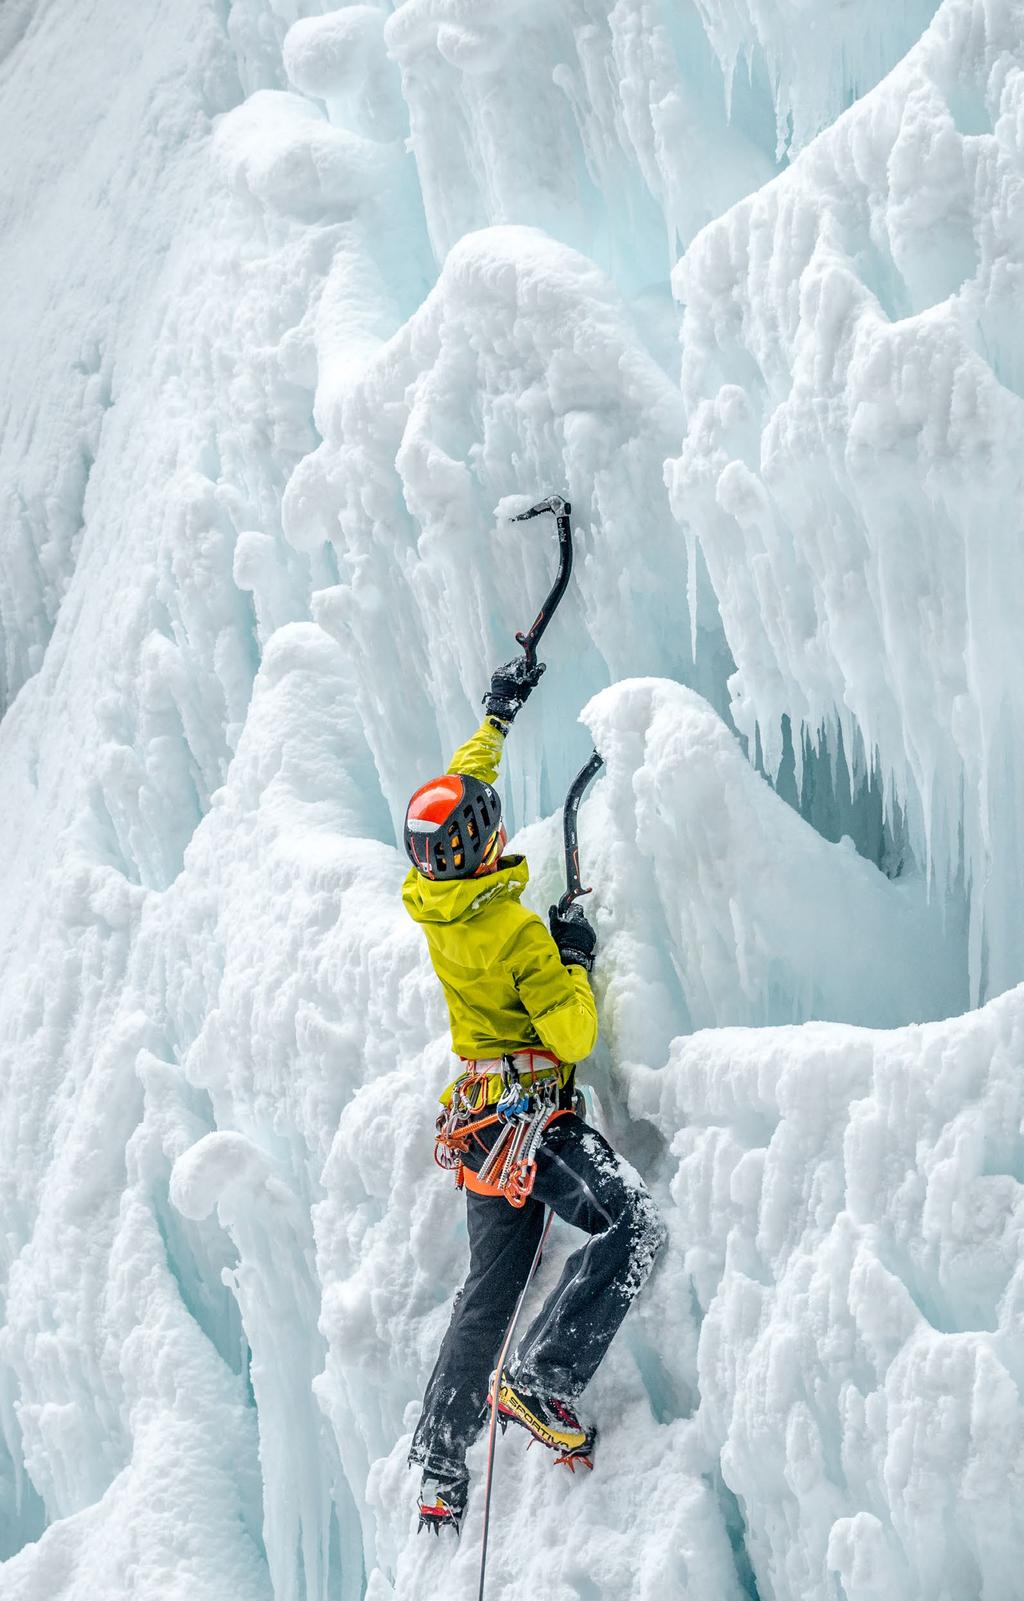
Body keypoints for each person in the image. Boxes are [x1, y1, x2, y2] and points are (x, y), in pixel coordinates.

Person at [402, 655, 666, 1535]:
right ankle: (547, 1374)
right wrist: (577, 957)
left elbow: (460, 781)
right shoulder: (513, 931)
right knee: (633, 1223)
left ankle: (442, 1462)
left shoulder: (429, 899)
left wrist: (497, 716)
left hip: (477, 1130)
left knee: (490, 1291)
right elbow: (573, 1036)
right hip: (531, 1123)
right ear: (482, 846)